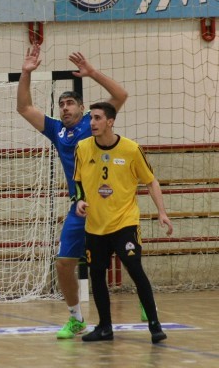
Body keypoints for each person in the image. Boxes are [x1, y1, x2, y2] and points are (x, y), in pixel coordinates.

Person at [16, 44, 128, 339]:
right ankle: (76, 318)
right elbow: (24, 108)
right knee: (64, 263)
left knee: (129, 257)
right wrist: (26, 72)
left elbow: (120, 96)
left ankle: (146, 302)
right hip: (79, 206)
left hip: (110, 204)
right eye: (61, 104)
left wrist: (92, 73)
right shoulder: (57, 131)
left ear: (82, 108)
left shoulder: (94, 123)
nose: (65, 107)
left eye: (70, 103)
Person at [74, 102, 172, 343]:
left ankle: (154, 325)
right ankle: (104, 327)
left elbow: (151, 181)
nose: (92, 123)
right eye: (91, 118)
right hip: (95, 225)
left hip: (124, 223)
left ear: (110, 122)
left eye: (97, 118)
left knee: (135, 269)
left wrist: (162, 212)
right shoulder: (83, 148)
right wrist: (79, 200)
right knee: (97, 275)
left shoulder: (131, 149)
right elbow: (77, 181)